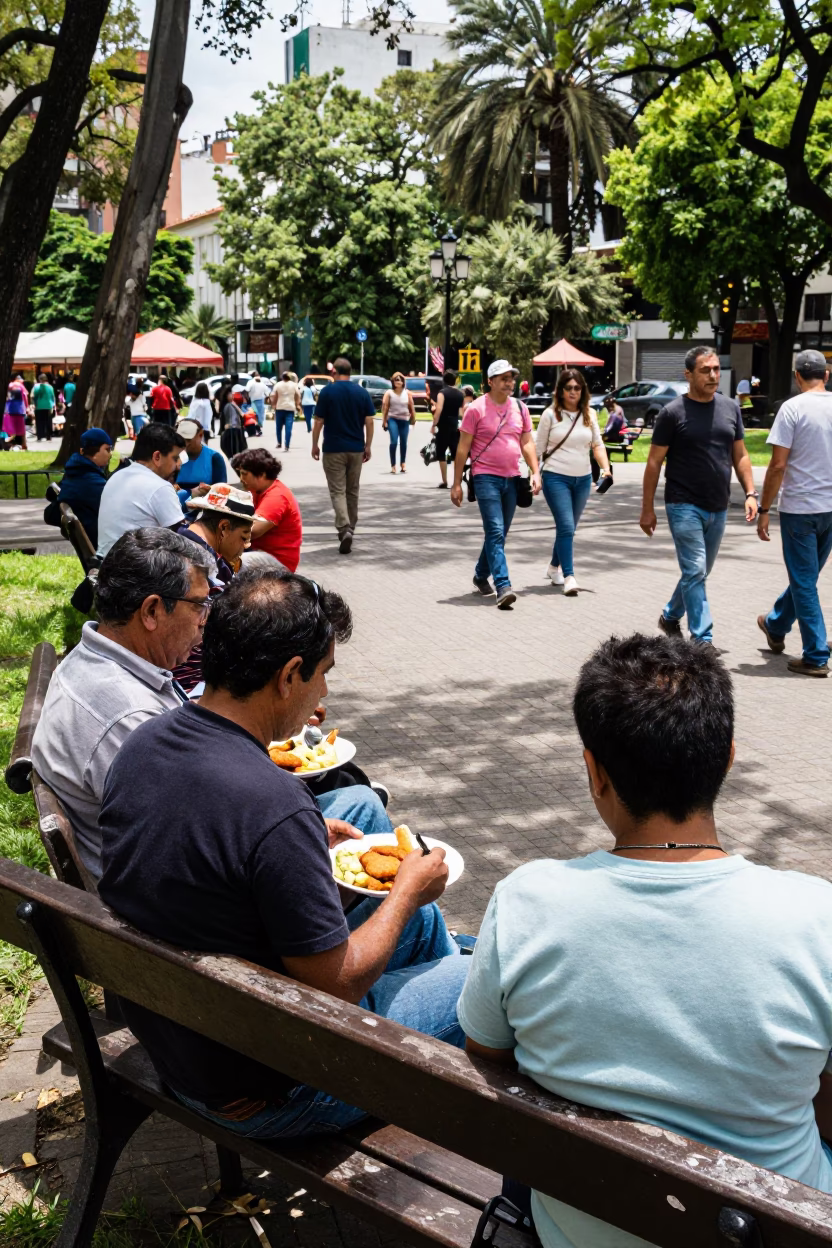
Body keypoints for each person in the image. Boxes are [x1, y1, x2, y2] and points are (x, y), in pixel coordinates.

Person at [459, 632, 832, 1248]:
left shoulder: (527, 901)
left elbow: (490, 1058)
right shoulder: (816, 916)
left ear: (594, 772)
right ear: (728, 757)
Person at [97, 567, 470, 1139]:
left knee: (426, 933)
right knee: (493, 983)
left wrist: (296, 846)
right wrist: (403, 893)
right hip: (274, 1085)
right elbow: (334, 985)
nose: (324, 692)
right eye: (323, 675)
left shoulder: (143, 745)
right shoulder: (275, 804)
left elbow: (209, 846)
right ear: (290, 675)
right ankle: (463, 1083)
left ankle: (438, 998)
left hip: (185, 1042)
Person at [31, 529, 215, 877]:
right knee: (351, 806)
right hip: (158, 909)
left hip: (138, 875)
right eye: (200, 606)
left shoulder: (90, 657)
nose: (204, 622)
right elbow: (193, 840)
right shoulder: (131, 719)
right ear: (152, 611)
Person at [640, 345, 757, 645]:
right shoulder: (672, 413)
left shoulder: (730, 408)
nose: (713, 375)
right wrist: (647, 509)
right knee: (694, 569)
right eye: (705, 370)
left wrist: (751, 493)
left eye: (716, 369)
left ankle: (669, 616)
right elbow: (653, 463)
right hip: (682, 503)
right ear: (688, 374)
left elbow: (740, 456)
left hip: (718, 505)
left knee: (700, 573)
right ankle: (702, 640)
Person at [757, 348, 832, 676]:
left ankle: (816, 654)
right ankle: (776, 624)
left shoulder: (791, 409)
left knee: (803, 580)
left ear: (797, 376)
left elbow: (778, 465)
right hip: (831, 508)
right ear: (826, 375)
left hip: (800, 509)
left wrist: (764, 509)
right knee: (807, 578)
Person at [450, 360, 541, 610]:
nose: (509, 382)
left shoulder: (520, 408)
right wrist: (456, 483)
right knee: (496, 531)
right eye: (503, 378)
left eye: (511, 378)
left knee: (499, 534)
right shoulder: (475, 409)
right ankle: (503, 586)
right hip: (485, 477)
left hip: (512, 478)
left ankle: (481, 575)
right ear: (490, 382)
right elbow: (463, 448)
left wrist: (535, 471)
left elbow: (527, 443)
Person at [535, 369, 611, 596]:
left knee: (568, 528)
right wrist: (533, 474)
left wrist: (606, 469)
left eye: (577, 388)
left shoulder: (589, 414)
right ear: (560, 390)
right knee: (567, 526)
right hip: (555, 477)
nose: (573, 392)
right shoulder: (550, 415)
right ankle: (569, 576)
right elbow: (537, 448)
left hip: (583, 479)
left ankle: (552, 568)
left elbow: (597, 445)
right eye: (568, 388)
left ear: (583, 390)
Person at [173, 486, 256, 692]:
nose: (245, 546)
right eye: (244, 537)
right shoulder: (199, 564)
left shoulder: (182, 540)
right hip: (189, 680)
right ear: (224, 528)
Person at [312, 356, 375, 555]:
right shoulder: (361, 392)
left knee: (337, 490)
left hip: (333, 448)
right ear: (350, 372)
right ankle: (351, 528)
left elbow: (319, 421)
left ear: (334, 372)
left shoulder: (327, 392)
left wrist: (314, 444)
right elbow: (370, 422)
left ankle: (344, 527)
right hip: (356, 449)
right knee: (352, 490)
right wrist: (368, 445)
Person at [96, 423, 186, 558]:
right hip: (138, 573)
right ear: (157, 457)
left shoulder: (117, 476)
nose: (178, 465)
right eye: (175, 458)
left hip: (108, 566)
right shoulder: (159, 487)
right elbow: (183, 541)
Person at [231, 447, 302, 572]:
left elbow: (252, 531)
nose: (241, 479)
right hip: (259, 552)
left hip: (278, 562)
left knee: (230, 563)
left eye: (244, 474)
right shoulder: (258, 491)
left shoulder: (277, 496)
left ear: (262, 474)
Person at [43, 427, 112, 548]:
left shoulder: (76, 473)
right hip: (104, 547)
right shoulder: (90, 482)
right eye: (107, 449)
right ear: (94, 452)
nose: (110, 454)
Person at [174, 418, 227, 507]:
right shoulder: (173, 457)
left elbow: (222, 492)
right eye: (181, 440)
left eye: (189, 440)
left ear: (200, 435)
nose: (185, 444)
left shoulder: (214, 458)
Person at [430, 370, 464, 489]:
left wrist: (434, 424)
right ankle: (457, 480)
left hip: (444, 424)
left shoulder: (442, 393)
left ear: (444, 380)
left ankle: (444, 480)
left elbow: (438, 410)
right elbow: (461, 412)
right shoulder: (460, 394)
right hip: (455, 425)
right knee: (455, 454)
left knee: (441, 453)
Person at [382, 372, 416, 474]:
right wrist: (384, 421)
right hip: (392, 419)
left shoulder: (407, 393)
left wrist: (413, 418)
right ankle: (393, 465)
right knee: (393, 441)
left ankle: (403, 463)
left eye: (400, 380)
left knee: (404, 442)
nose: (398, 381)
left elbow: (411, 406)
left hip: (404, 420)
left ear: (403, 382)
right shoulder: (389, 393)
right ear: (393, 381)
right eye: (396, 380)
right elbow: (385, 407)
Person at [270, 371, 302, 450]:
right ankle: (287, 445)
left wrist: (273, 405)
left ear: (282, 377)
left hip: (279, 407)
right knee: (288, 428)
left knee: (278, 427)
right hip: (290, 408)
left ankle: (279, 443)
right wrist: (297, 404)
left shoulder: (278, 384)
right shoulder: (294, 385)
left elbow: (274, 395)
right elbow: (298, 395)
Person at [3, 374, 29, 450]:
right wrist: (27, 408)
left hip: (9, 409)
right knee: (21, 428)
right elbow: (25, 397)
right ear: (17, 379)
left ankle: (11, 444)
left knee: (10, 428)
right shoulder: (21, 386)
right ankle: (24, 445)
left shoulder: (9, 385)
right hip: (20, 409)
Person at [220, 389, 247, 459]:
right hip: (233, 430)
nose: (232, 395)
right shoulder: (229, 405)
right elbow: (234, 418)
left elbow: (241, 414)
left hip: (234, 429)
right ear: (226, 396)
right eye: (230, 394)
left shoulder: (231, 404)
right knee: (236, 450)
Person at [32, 372, 56, 442]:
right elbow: (53, 397)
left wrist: (34, 403)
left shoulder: (36, 387)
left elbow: (32, 396)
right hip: (48, 406)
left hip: (39, 406)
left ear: (39, 379)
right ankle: (48, 436)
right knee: (48, 422)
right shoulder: (50, 387)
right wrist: (53, 406)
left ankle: (39, 436)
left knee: (39, 422)